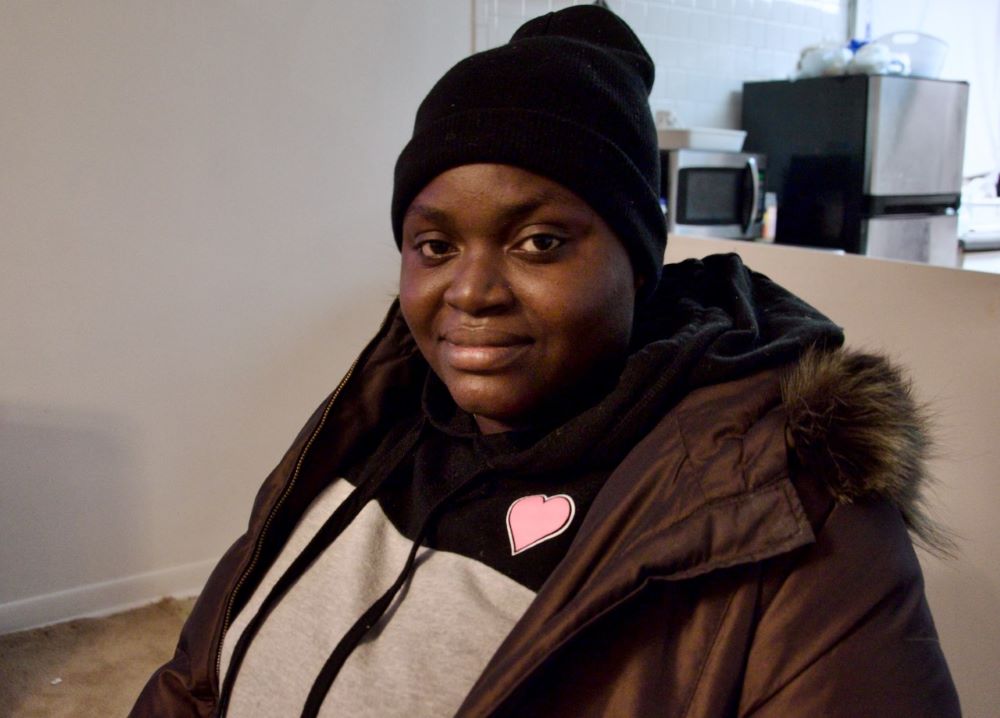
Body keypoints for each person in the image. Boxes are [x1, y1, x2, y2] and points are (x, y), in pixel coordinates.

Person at [132, 6, 960, 717]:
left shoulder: (799, 520)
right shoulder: (382, 417)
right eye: (435, 244)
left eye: (539, 242)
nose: (472, 291)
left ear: (637, 262)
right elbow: (194, 677)